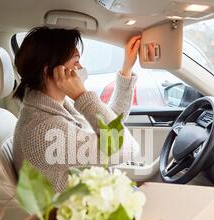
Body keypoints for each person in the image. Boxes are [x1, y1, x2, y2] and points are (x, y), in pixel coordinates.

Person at [13, 27, 141, 192]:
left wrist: (127, 69)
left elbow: (111, 120)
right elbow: (127, 148)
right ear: (49, 71)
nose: (81, 67)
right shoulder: (43, 131)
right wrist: (82, 96)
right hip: (85, 212)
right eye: (75, 62)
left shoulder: (54, 106)